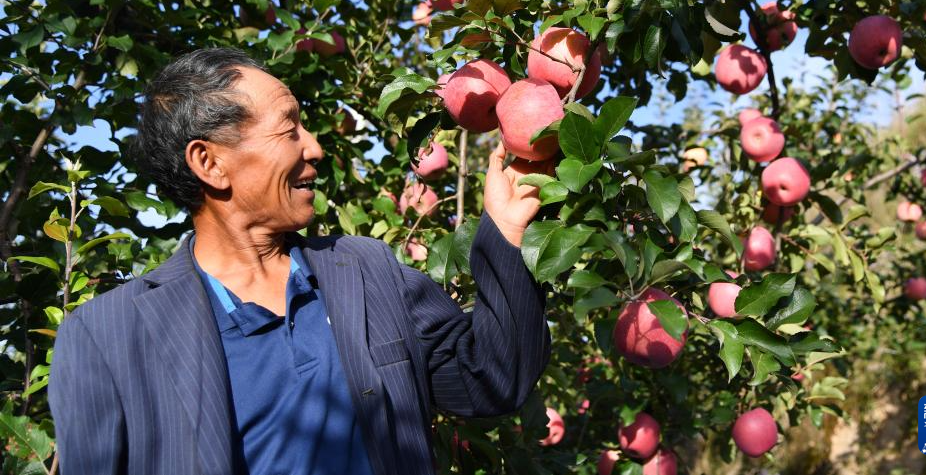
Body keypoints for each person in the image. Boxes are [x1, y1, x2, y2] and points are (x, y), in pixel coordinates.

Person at [49, 47, 552, 475]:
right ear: (210, 162)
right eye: (289, 129)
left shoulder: (365, 269)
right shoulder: (107, 337)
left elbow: (489, 378)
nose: (314, 147)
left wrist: (506, 230)